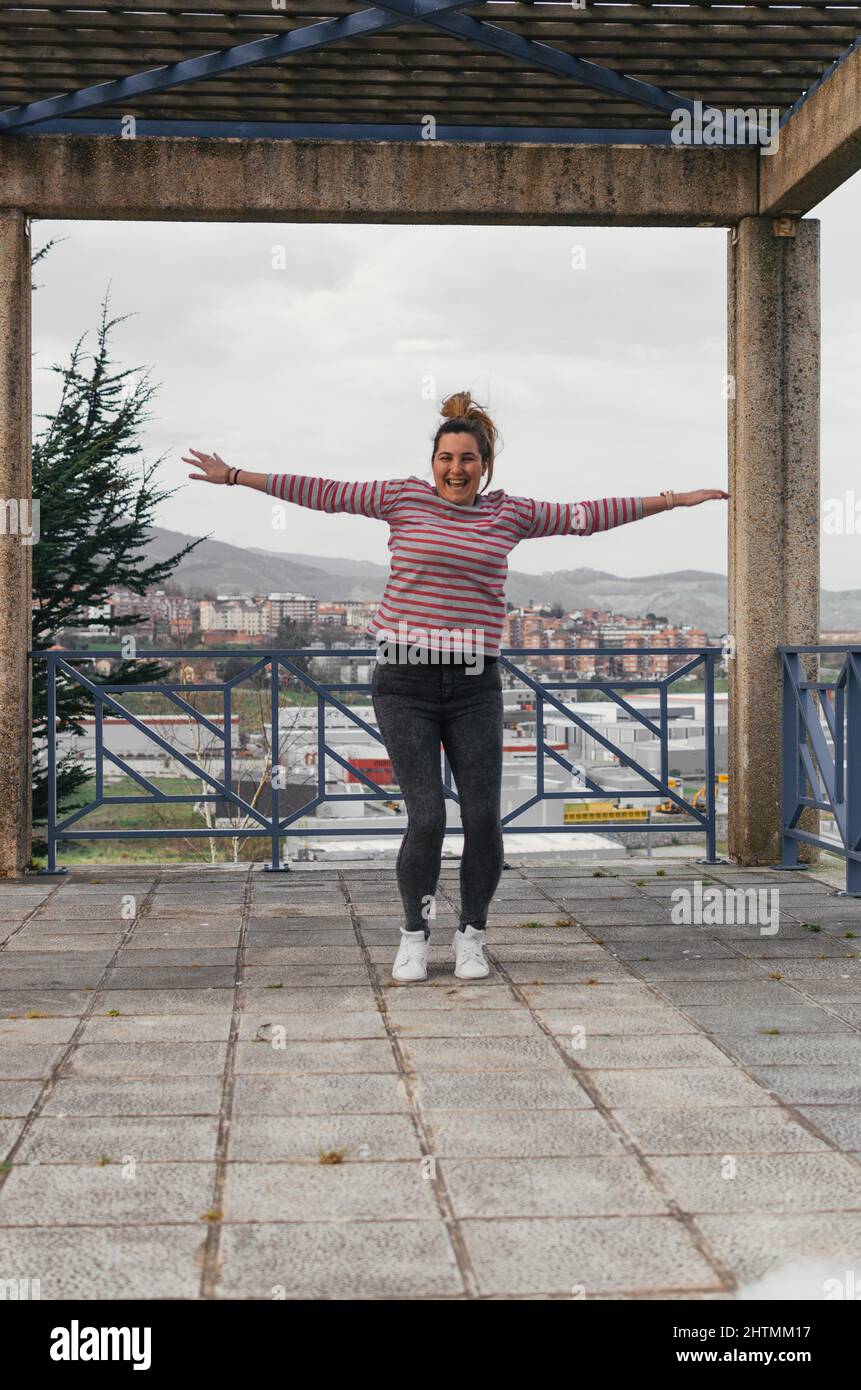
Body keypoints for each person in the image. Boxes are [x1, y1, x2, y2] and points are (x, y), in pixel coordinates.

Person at [183, 391, 728, 984]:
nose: (455, 469)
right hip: (403, 683)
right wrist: (234, 476)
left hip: (474, 685)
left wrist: (676, 499)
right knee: (425, 820)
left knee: (484, 819)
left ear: (484, 465)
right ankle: (414, 935)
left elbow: (587, 515)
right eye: (446, 457)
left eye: (467, 458)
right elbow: (322, 491)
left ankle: (472, 933)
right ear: (433, 461)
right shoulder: (401, 497)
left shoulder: (509, 514)